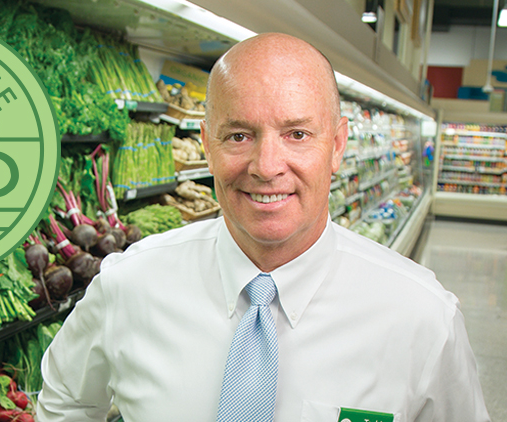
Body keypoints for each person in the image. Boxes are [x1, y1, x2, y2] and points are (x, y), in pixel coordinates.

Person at [36, 33, 490, 421]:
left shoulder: (422, 318)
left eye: (296, 134)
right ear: (206, 143)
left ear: (336, 146)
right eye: (239, 135)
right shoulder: (128, 285)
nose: (266, 167)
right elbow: (64, 402)